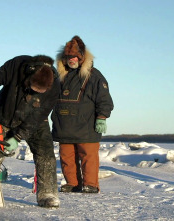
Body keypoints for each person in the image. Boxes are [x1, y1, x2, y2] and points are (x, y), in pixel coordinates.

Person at [0, 55, 61, 207]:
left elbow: (38, 116)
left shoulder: (55, 86)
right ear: (29, 77)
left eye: (40, 91)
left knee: (45, 153)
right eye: (34, 89)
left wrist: (18, 137)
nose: (36, 93)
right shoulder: (17, 65)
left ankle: (47, 194)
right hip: (4, 116)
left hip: (35, 122)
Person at [51, 36, 114, 193]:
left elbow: (104, 100)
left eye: (74, 57)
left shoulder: (94, 76)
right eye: (68, 57)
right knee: (66, 157)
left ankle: (90, 184)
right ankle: (72, 183)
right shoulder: (58, 77)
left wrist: (102, 117)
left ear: (82, 58)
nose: (71, 60)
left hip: (87, 128)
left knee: (88, 157)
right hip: (63, 127)